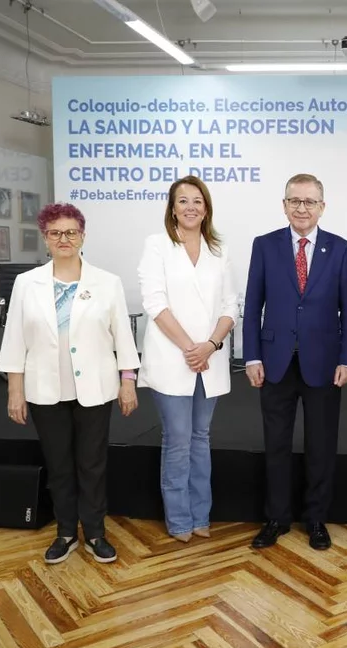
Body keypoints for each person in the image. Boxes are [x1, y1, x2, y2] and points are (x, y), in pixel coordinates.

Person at [0, 203, 139, 564]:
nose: (64, 238)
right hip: (45, 390)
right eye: (56, 232)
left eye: (71, 231)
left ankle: (94, 533)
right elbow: (15, 340)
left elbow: (123, 335)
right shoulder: (27, 284)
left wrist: (128, 382)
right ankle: (65, 532)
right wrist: (16, 391)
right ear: (45, 238)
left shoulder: (107, 283)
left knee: (92, 464)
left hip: (95, 388)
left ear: (83, 236)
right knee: (59, 465)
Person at [244, 173, 347, 551]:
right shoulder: (264, 245)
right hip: (274, 360)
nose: (302, 208)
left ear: (322, 207)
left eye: (310, 202)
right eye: (295, 200)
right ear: (284, 204)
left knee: (321, 445)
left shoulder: (341, 249)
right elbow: (252, 305)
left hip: (324, 363)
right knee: (276, 444)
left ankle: (316, 520)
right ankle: (276, 518)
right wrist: (252, 356)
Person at [138, 176, 238, 542]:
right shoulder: (157, 245)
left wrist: (209, 345)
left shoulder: (219, 250)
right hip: (172, 357)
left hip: (208, 359)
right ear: (172, 207)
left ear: (206, 207)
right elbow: (155, 303)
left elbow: (230, 305)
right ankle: (179, 519)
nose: (191, 207)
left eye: (198, 200)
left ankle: (201, 515)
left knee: (200, 436)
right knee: (178, 438)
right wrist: (189, 348)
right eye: (183, 201)